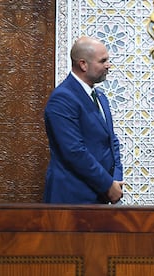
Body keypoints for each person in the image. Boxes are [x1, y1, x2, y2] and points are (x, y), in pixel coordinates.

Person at [43, 36, 124, 204]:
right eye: (103, 61)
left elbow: (111, 141)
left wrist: (115, 180)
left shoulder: (100, 97)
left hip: (99, 196)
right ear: (83, 64)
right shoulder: (62, 98)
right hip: (72, 198)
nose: (108, 65)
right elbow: (74, 151)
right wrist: (108, 185)